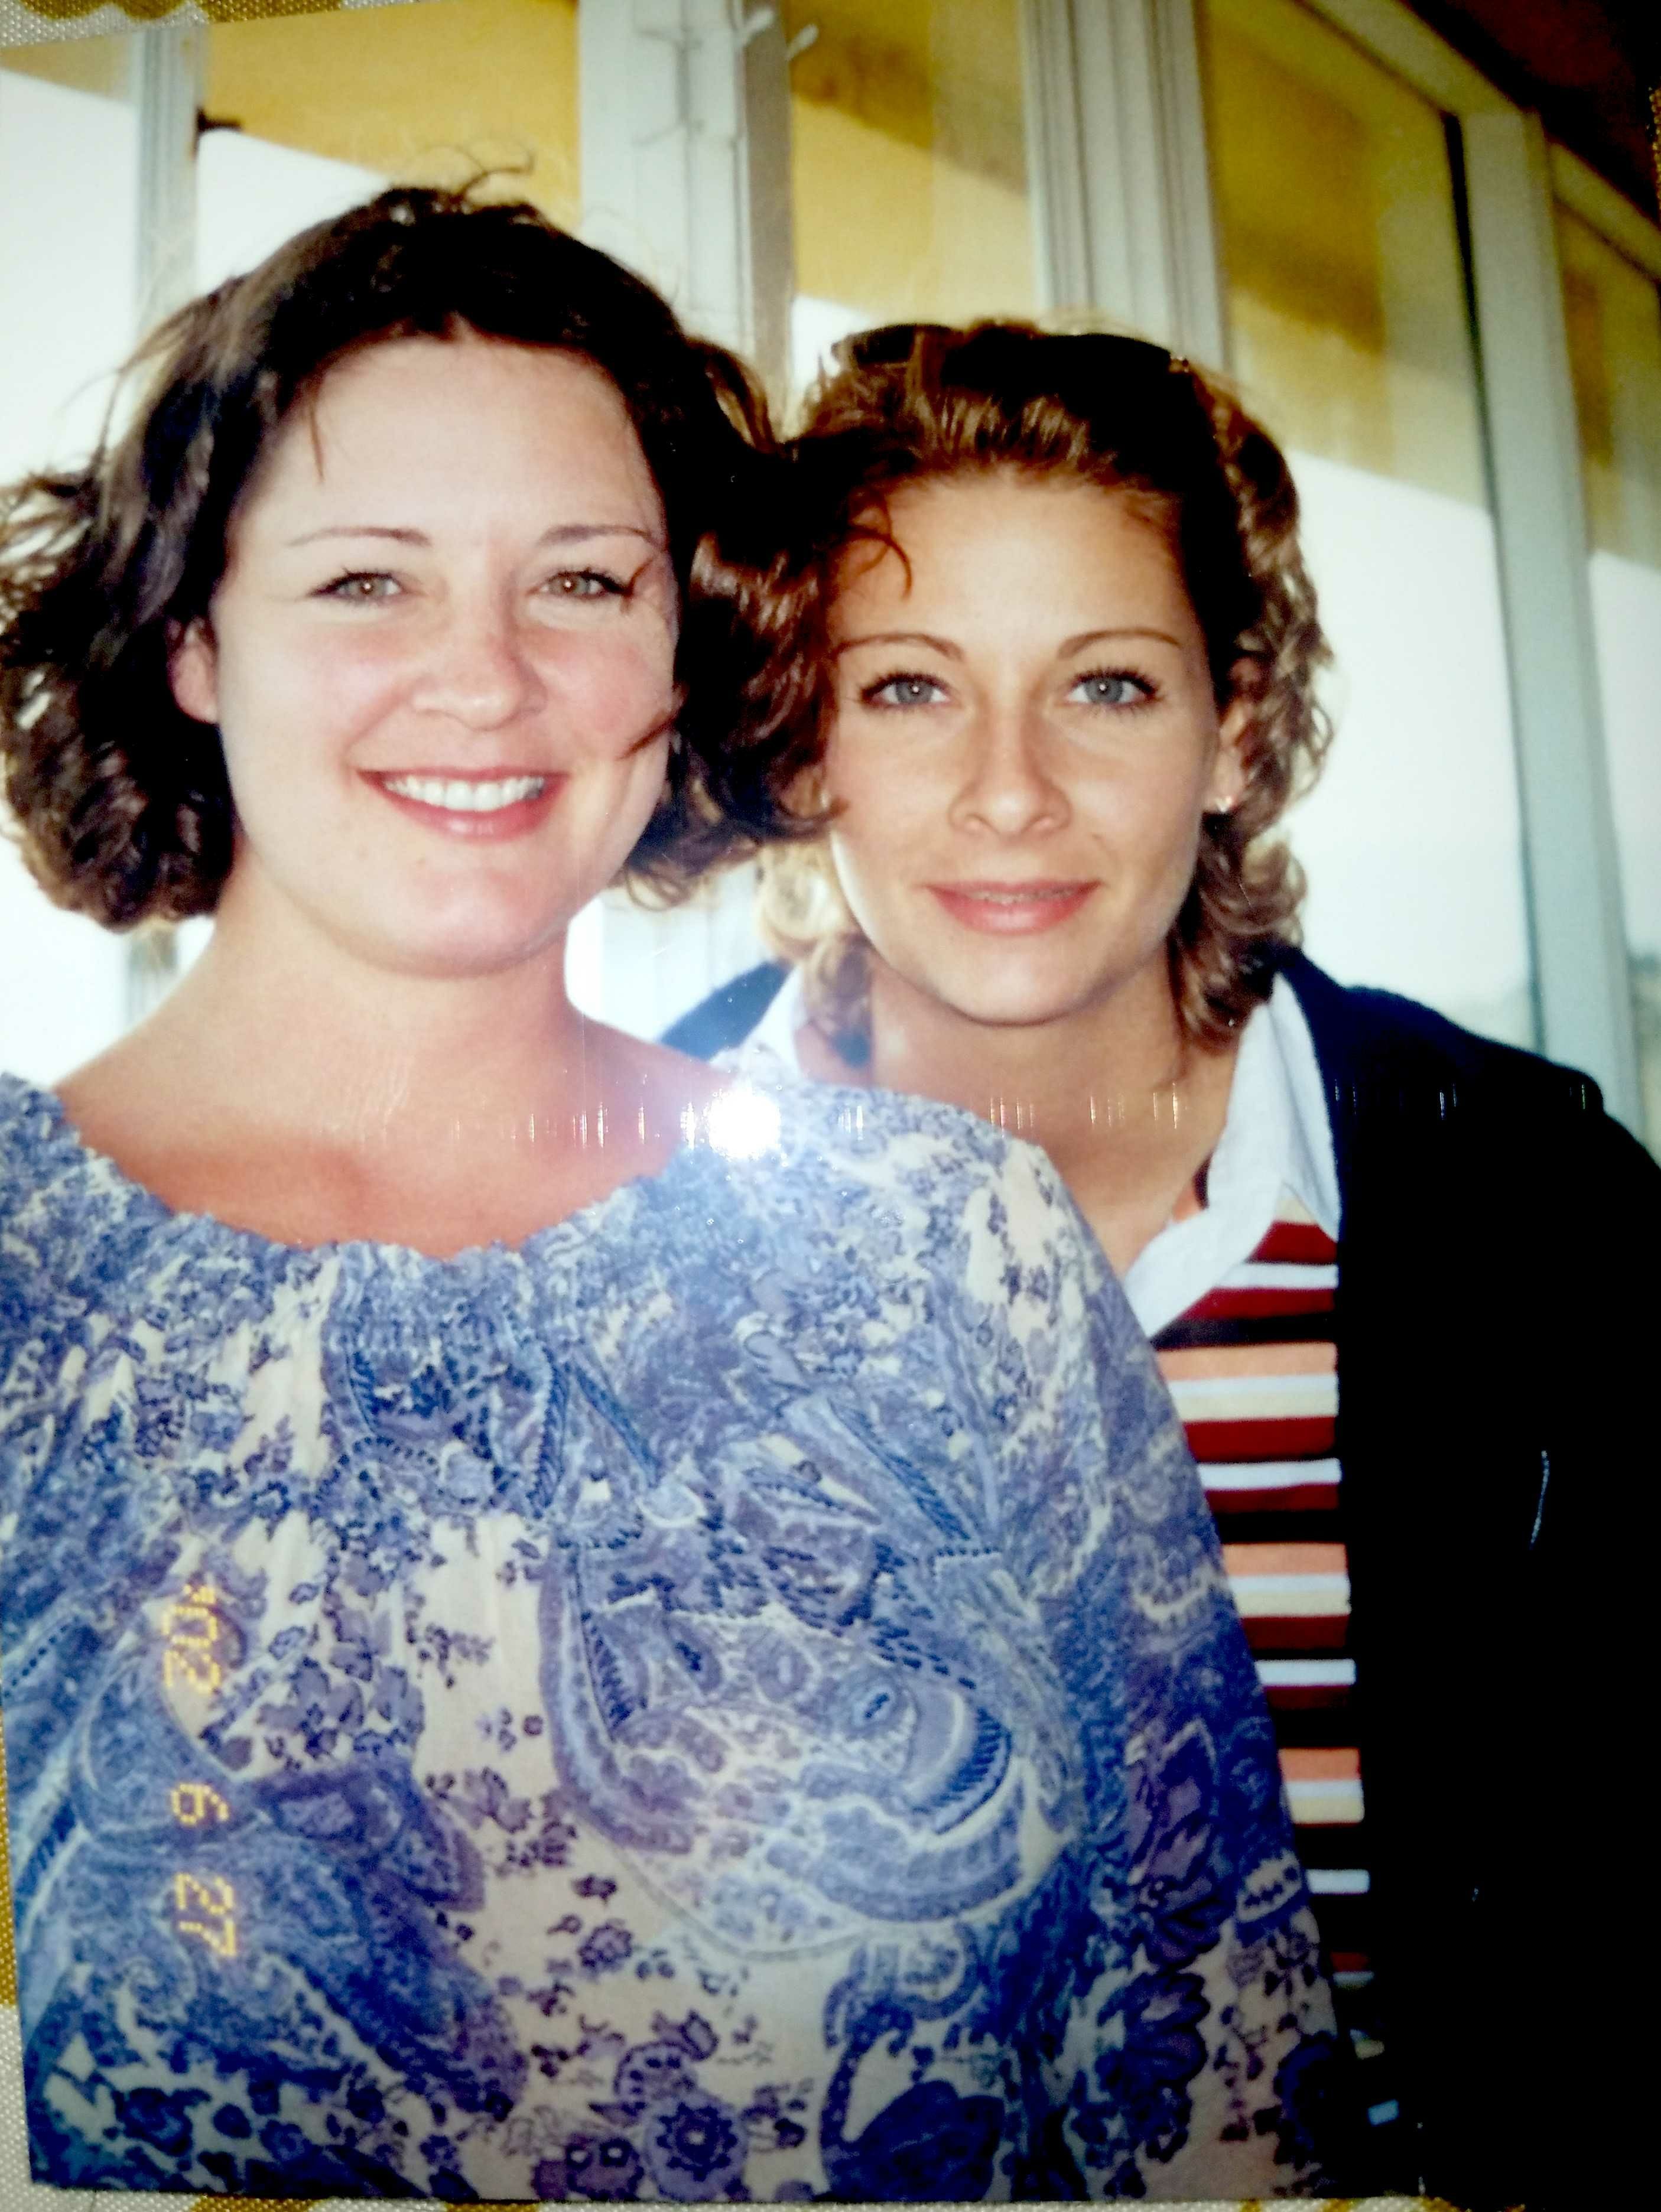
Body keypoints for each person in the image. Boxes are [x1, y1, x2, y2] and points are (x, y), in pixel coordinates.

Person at [0, 197, 1338, 2200]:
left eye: (581, 580)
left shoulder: (943, 1246)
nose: (486, 679)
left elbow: (1213, 2089)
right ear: (192, 639)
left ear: (684, 647)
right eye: (366, 580)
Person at [664, 318, 1660, 2209]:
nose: (1010, 790)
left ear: (1237, 732)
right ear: (798, 739)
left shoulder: (1541, 1225)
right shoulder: (592, 1234)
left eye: (1106, 686)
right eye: (907, 689)